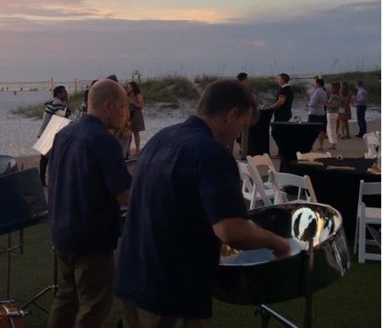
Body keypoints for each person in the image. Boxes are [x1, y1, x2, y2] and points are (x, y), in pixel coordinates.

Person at [114, 80, 290, 328]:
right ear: (232, 115)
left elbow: (171, 204)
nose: (239, 134)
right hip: (171, 291)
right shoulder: (212, 153)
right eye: (242, 125)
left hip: (133, 277)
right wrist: (276, 242)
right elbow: (230, 230)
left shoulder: (161, 138)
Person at [47, 79, 132, 328]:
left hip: (62, 232)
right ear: (108, 105)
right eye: (124, 107)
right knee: (94, 306)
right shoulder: (103, 140)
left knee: (66, 298)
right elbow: (123, 193)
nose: (126, 114)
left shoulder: (64, 133)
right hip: (91, 239)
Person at [37, 85, 70, 187]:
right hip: (48, 133)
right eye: (64, 92)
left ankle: (42, 179)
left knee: (45, 158)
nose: (66, 94)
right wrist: (66, 106)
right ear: (59, 94)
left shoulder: (54, 102)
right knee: (54, 158)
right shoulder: (58, 104)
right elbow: (61, 119)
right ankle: (52, 181)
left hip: (44, 132)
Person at [306, 78, 327, 150]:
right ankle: (321, 146)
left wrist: (307, 105)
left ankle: (310, 145)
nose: (314, 85)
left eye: (315, 83)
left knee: (310, 130)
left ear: (318, 84)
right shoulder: (324, 91)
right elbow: (325, 102)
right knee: (321, 130)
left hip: (314, 113)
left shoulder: (317, 92)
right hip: (321, 112)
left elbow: (313, 103)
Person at [128, 81, 146, 156]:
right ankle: (127, 150)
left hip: (136, 114)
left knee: (136, 132)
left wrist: (131, 102)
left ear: (133, 87)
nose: (129, 87)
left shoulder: (138, 95)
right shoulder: (128, 94)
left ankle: (137, 149)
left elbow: (141, 106)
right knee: (128, 133)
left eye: (130, 86)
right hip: (129, 113)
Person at [326, 82, 340, 150]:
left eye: (331, 88)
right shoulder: (336, 96)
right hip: (334, 113)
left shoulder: (334, 96)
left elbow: (333, 105)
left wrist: (326, 104)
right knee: (332, 128)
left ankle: (333, 144)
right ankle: (333, 143)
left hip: (332, 113)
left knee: (331, 129)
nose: (330, 89)